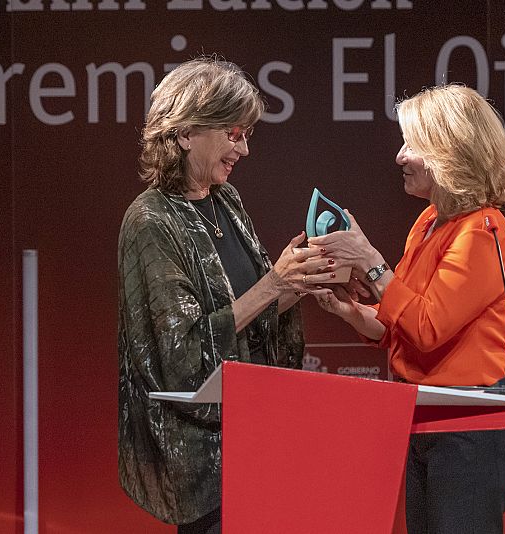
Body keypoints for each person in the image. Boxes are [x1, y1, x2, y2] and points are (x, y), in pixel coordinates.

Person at [308, 84, 505, 534]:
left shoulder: (482, 232)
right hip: (425, 420)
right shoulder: (428, 223)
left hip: (469, 428)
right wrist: (347, 310)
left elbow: (427, 328)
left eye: (413, 145)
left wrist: (370, 262)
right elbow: (398, 324)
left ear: (450, 154)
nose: (400, 156)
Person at [117, 56, 323, 534]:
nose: (245, 149)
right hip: (205, 469)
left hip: (257, 443)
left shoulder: (225, 200)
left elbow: (248, 320)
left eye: (247, 135)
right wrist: (273, 283)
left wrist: (298, 283)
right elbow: (183, 356)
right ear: (186, 132)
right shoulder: (150, 221)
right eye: (233, 133)